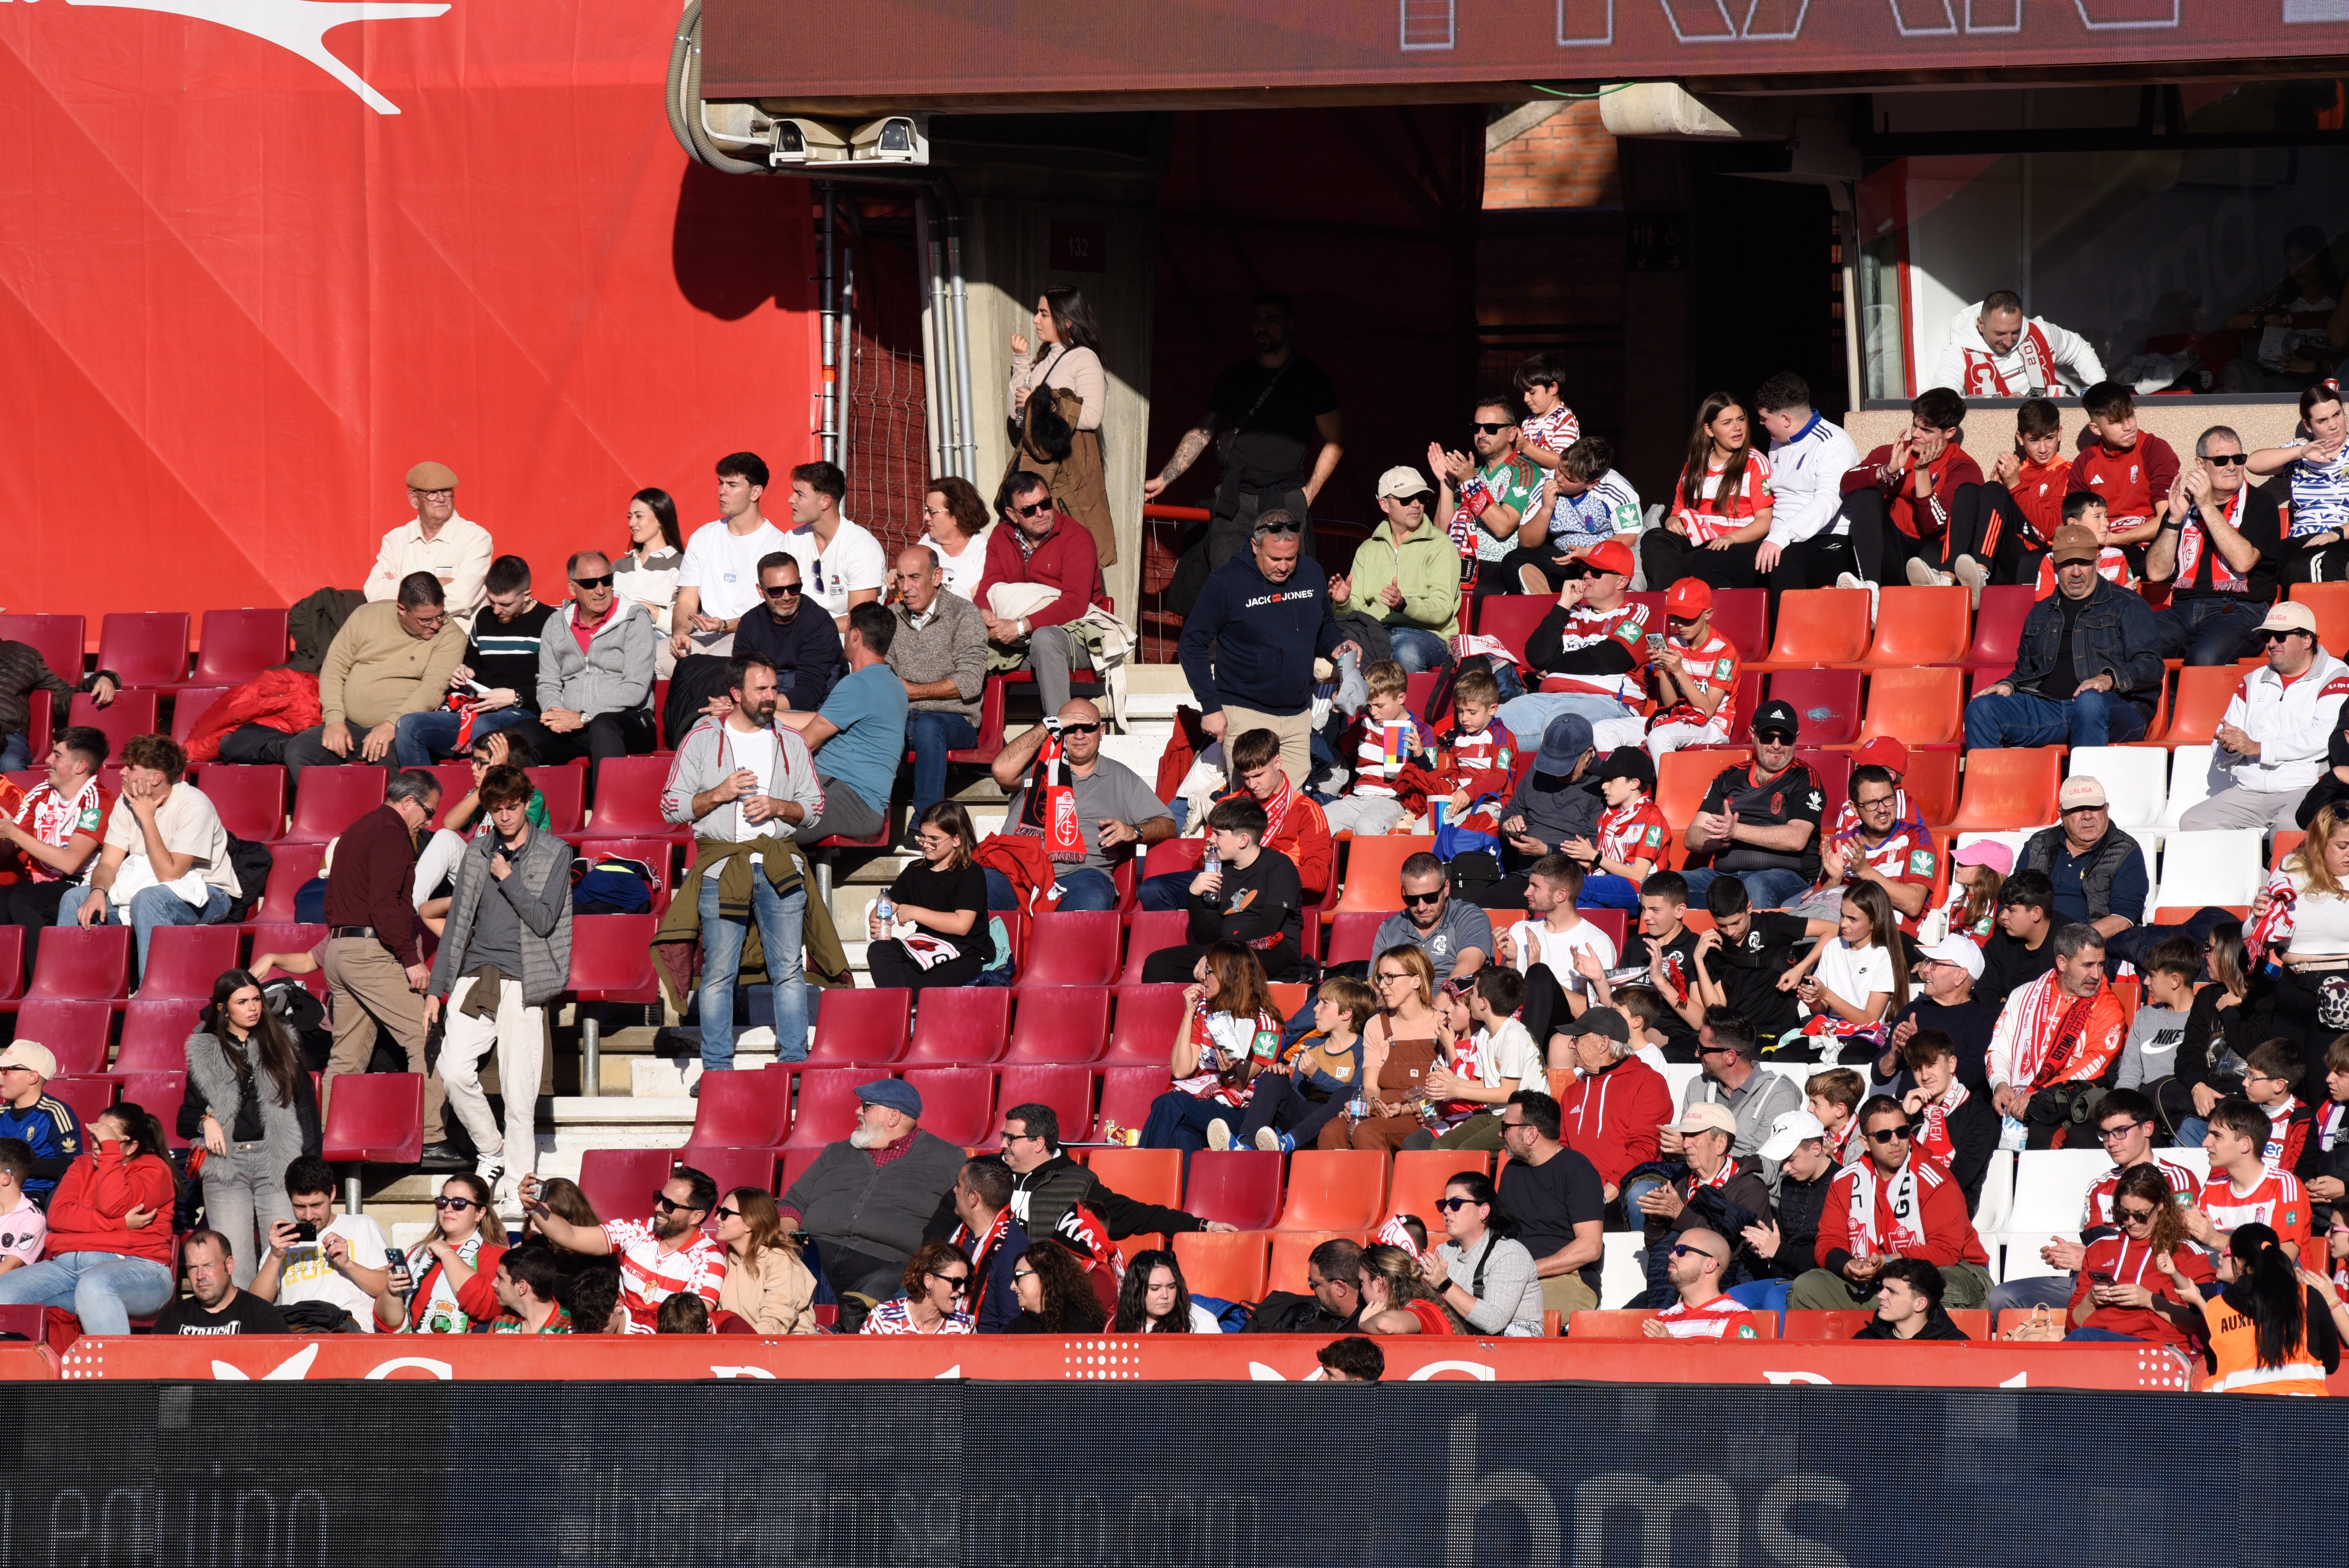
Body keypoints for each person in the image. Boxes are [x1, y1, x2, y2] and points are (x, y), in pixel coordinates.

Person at [662, 652, 825, 1076]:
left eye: (773, 687)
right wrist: (718, 793)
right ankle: (717, 1070)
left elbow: (814, 808)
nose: (771, 697)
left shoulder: (790, 741)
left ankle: (794, 1066)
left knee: (788, 969)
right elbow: (671, 805)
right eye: (761, 689)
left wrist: (779, 806)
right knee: (718, 971)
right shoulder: (701, 738)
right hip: (722, 867)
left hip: (778, 864)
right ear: (736, 693)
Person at [422, 763, 572, 1192]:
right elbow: (457, 924)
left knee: (519, 1095)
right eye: (497, 808)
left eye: (512, 806)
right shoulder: (477, 852)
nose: (505, 816)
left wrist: (509, 880)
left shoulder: (554, 853)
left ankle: (519, 1192)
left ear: (527, 804)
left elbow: (545, 920)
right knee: (452, 1071)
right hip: (476, 974)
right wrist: (437, 989)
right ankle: (491, 1149)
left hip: (525, 981)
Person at [1147, 290, 1343, 576]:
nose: (1263, 326)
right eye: (1257, 319)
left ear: (1290, 325)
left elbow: (1336, 441)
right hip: (1234, 498)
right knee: (1228, 584)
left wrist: (1307, 495)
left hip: (1285, 497)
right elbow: (1204, 430)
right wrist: (1165, 477)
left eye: (1272, 319)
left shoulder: (1312, 378)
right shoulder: (1235, 376)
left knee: (1285, 592)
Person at [319, 768, 453, 1168]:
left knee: (345, 1056)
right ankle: (432, 1138)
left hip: (339, 950)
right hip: (369, 951)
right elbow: (386, 905)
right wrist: (411, 959)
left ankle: (334, 1140)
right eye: (428, 812)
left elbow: (332, 902)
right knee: (424, 1034)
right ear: (409, 801)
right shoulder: (393, 834)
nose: (428, 822)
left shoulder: (356, 829)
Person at [221, 574, 466, 779]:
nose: (435, 625)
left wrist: (392, 724)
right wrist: (335, 720)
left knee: (391, 760)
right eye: (425, 620)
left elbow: (433, 688)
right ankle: (331, 821)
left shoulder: (450, 635)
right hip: (351, 725)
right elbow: (335, 666)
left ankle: (380, 828)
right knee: (300, 751)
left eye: (440, 616)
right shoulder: (366, 616)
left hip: (399, 730)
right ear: (401, 610)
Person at [1175, 508, 1355, 788]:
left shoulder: (1311, 573)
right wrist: (1211, 707)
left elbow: (1325, 626)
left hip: (1297, 715)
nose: (1283, 566)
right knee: (1252, 808)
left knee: (1290, 806)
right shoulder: (1226, 582)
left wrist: (1337, 645)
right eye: (1275, 558)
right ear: (1255, 546)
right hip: (1245, 713)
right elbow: (1191, 643)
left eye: (1291, 558)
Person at [1985, 1087, 2201, 1316]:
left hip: (2152, 1283)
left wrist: (2090, 1259)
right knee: (2003, 1298)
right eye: (2105, 1134)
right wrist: (2072, 1257)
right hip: (2096, 1282)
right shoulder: (2099, 1186)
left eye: (2120, 1132)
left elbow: (2177, 1247)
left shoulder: (2177, 1179)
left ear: (2147, 1128)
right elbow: (2097, 1243)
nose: (2111, 1142)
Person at [1961, 523, 2162, 749]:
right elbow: (2026, 672)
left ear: (2097, 562)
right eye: (2067, 563)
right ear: (2055, 565)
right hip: (2052, 709)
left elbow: (2151, 666)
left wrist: (2109, 679)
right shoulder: (2040, 613)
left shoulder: (2128, 604)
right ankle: (1992, 785)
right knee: (1981, 710)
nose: (2076, 572)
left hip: (2117, 708)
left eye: (2084, 563)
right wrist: (2009, 684)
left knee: (2089, 703)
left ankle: (2085, 784)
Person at [59, 733, 241, 976]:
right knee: (75, 899)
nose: (122, 772)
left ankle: (154, 991)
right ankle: (67, 988)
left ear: (155, 777)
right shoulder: (126, 802)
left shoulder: (194, 806)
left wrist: (146, 817)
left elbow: (170, 874)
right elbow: (109, 863)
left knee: (149, 900)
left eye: (131, 768)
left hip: (210, 894)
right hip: (146, 887)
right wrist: (97, 892)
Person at [1787, 1095, 1993, 1310]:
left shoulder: (1935, 1178)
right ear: (1865, 1142)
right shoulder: (1844, 1181)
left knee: (1913, 1289)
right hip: (1879, 1279)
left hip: (1957, 1271)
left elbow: (1946, 1251)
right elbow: (1828, 1242)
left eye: (1903, 1132)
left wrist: (1889, 1262)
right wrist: (1850, 1267)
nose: (1895, 1141)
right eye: (1884, 1136)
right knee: (1807, 1287)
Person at [185, 968, 320, 1287]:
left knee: (293, 1259)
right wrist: (207, 1121)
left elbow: (306, 1110)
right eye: (242, 1001)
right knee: (238, 1267)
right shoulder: (204, 1051)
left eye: (257, 999)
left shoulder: (283, 1041)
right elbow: (185, 1114)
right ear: (223, 1008)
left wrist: (310, 1169)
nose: (253, 1007)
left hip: (279, 1163)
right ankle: (245, 1335)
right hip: (226, 1166)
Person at [927, 1102, 1226, 1245]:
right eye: (1003, 1136)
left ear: (1039, 1143)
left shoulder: (1077, 1183)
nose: (1001, 1144)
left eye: (1010, 1139)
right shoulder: (987, 1169)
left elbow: (1139, 1215)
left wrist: (1202, 1225)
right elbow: (946, 1216)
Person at [778, 1080, 966, 1301]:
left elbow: (968, 1208)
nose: (858, 1111)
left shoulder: (947, 1159)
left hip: (886, 1264)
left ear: (893, 1117)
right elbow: (792, 1202)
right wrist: (789, 1235)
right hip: (815, 1253)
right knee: (777, 1267)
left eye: (866, 1106)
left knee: (887, 1288)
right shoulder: (835, 1152)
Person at [0, 1102, 175, 1333]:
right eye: (94, 1137)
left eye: (106, 1140)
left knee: (95, 1286)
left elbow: (113, 1204)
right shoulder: (81, 1166)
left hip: (138, 1269)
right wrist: (119, 1224)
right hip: (66, 1269)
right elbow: (59, 1216)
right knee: (4, 1292)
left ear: (132, 1147)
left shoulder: (154, 1171)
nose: (96, 1145)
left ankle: (118, 1369)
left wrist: (110, 1154)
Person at [986, 699, 1174, 912]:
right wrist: (1049, 726)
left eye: (1087, 727)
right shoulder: (1035, 765)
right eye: (1070, 727)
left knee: (1092, 899)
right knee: (975, 888)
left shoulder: (1120, 777)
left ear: (1101, 731)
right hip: (1017, 869)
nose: (1079, 735)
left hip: (1080, 876)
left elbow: (1168, 824)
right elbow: (1001, 770)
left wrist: (1135, 831)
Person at [2183, 600, 2349, 833]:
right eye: (2266, 637)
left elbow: (2323, 739)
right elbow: (2225, 739)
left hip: (2304, 787)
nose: (2271, 644)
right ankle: (2244, 870)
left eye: (2280, 636)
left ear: (2307, 640)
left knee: (2290, 828)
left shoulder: (2336, 674)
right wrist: (2229, 748)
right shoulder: (2252, 680)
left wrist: (2258, 748)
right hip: (2248, 791)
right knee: (2193, 822)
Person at [665, 452, 791, 747]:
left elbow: (773, 611)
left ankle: (700, 733)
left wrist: (725, 625)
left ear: (756, 492)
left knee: (728, 663)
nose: (722, 491)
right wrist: (680, 634)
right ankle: (673, 733)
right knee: (652, 657)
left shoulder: (778, 543)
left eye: (732, 485)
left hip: (744, 638)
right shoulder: (704, 536)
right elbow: (686, 600)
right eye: (721, 483)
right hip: (702, 636)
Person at [2143, 425, 2290, 666]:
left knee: (2204, 658)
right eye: (2222, 460)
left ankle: (2182, 705)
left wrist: (2206, 507)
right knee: (2131, 646)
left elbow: (2243, 561)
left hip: (2240, 610)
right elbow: (2157, 572)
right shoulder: (2184, 506)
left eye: (2239, 459)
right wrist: (2174, 521)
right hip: (2183, 610)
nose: (2232, 466)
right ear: (2200, 465)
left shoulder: (2260, 503)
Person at [1141, 727, 1331, 911]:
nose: (1253, 785)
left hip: (1272, 889)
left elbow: (1319, 878)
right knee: (1153, 890)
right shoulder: (1227, 805)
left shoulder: (1306, 810)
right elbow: (1199, 862)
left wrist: (1267, 870)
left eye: (1258, 775)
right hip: (1226, 881)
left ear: (1278, 763)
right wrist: (1208, 857)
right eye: (1246, 777)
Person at [513, 550, 658, 789]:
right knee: (518, 737)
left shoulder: (634, 619)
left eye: (607, 581)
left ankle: (608, 814)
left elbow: (635, 688)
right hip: (573, 724)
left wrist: (584, 716)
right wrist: (555, 713)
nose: (600, 590)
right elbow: (548, 682)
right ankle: (534, 813)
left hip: (630, 720)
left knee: (603, 726)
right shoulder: (556, 624)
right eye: (590, 584)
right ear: (572, 588)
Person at [518, 1167, 724, 1333]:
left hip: (659, 1349)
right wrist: (534, 1208)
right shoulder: (638, 1230)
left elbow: (688, 1326)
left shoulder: (708, 1259)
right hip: (615, 1333)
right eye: (659, 1198)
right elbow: (571, 1236)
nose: (659, 1207)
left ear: (697, 1217)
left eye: (670, 1205)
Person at [974, 470, 1111, 716]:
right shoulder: (1000, 537)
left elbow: (1075, 603)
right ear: (1012, 515)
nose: (1040, 513)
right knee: (965, 638)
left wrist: (1021, 626)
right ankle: (972, 731)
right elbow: (987, 589)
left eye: (1045, 504)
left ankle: (1058, 735)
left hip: (1077, 634)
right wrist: (985, 614)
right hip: (1019, 641)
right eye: (1029, 510)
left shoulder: (1077, 537)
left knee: (1045, 639)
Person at [1493, 538, 1651, 749]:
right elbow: (1537, 656)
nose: (1586, 575)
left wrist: (1552, 667)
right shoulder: (1572, 613)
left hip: (1608, 702)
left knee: (1559, 727)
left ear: (1621, 582)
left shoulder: (1636, 613)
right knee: (1492, 725)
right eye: (1586, 568)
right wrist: (1564, 603)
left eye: (1596, 572)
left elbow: (1609, 658)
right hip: (1547, 699)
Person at [393, 555, 551, 764]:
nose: (496, 610)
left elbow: (557, 683)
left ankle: (481, 795)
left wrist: (516, 697)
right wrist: (466, 672)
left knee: (486, 726)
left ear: (527, 596)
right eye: (491, 601)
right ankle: (420, 792)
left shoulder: (549, 622)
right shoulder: (485, 618)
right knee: (409, 725)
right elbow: (474, 663)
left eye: (505, 604)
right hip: (478, 710)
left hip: (522, 714)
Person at [776, 602, 909, 846]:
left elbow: (804, 743)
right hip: (855, 800)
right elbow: (819, 722)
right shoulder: (894, 685)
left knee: (755, 820)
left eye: (847, 630)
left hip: (849, 800)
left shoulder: (858, 685)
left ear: (855, 634)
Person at [1139, 796, 1307, 985]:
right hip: (1224, 951)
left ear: (1243, 840)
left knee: (1227, 968)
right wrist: (1193, 896)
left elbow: (1268, 925)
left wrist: (1218, 953)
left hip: (1271, 949)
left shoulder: (1279, 866)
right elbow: (1208, 937)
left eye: (1218, 834)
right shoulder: (1220, 869)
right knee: (1158, 964)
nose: (1210, 840)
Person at [1987, 923, 2128, 1148]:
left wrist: (2038, 1095)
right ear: (2062, 963)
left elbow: (2094, 1063)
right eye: (2088, 965)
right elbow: (1999, 1049)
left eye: (2101, 964)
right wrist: (2001, 1085)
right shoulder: (2023, 995)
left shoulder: (2109, 1007)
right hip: (2014, 1099)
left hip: (2065, 1103)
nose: (2097, 974)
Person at [1677, 700, 1824, 913]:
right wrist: (1719, 839)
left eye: (1785, 738)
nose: (1776, 745)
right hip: (1725, 878)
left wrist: (1736, 831)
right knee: (1664, 887)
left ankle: (1756, 946)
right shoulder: (1730, 776)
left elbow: (1797, 839)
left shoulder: (1805, 777)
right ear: (1753, 734)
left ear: (1796, 739)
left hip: (1786, 877)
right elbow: (1692, 837)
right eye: (1767, 736)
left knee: (1755, 887)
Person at [1008, 285, 1116, 567]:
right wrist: (1021, 362)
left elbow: (1092, 416)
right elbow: (1015, 414)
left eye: (1044, 313)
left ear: (1067, 321)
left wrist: (1040, 403)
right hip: (1035, 467)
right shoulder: (1042, 357)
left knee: (1064, 553)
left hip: (1066, 473)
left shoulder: (1084, 358)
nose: (1036, 320)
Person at [2166, 1222, 2341, 1394]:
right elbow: (2331, 1363)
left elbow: (2214, 1369)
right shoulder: (2308, 1297)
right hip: (2304, 1416)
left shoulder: (2215, 1309)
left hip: (2240, 1418)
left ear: (2238, 1263)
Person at [1142, 941, 1281, 1156]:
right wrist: (1189, 1012)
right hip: (1203, 1102)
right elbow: (1181, 1070)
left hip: (1239, 1112)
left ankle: (1143, 1173)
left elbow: (1241, 1082)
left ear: (1228, 977)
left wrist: (1230, 1071)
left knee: (1168, 1104)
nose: (1202, 977)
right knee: (1182, 1136)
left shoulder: (1266, 1025)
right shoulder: (1204, 1011)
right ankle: (1184, 1190)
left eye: (1209, 971)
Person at [1836, 387, 1983, 590]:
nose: (1915, 434)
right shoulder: (1895, 452)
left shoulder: (1962, 467)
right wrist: (1886, 471)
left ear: (1950, 433)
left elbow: (1934, 526)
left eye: (1927, 430)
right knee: (1865, 493)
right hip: (1893, 551)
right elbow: (1847, 482)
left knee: (1929, 554)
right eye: (1915, 424)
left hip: (1932, 558)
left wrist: (1921, 471)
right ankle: (1870, 588)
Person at [888, 544, 989, 825]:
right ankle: (869, 819)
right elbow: (885, 670)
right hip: (904, 716)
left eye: (915, 578)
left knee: (929, 726)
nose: (906, 588)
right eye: (901, 578)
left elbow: (969, 682)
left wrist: (913, 691)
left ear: (936, 577)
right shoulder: (893, 617)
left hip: (956, 719)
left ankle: (927, 821)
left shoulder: (964, 615)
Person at [1639, 392, 1774, 593]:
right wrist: (1671, 522)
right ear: (1709, 430)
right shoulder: (1694, 466)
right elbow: (1677, 512)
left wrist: (1731, 539)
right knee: (1654, 539)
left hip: (1737, 544)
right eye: (1727, 422)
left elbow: (1765, 521)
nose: (1737, 428)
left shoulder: (1755, 462)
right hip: (1700, 540)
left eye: (1741, 420)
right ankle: (1673, 596)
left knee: (1702, 560)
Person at [1330, 464, 1460, 674]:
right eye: (1407, 499)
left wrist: (1403, 605)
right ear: (1385, 505)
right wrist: (1343, 602)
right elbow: (1355, 614)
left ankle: (1405, 708)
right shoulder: (1368, 549)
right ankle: (1348, 705)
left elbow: (1442, 610)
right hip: (1377, 633)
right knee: (1343, 646)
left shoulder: (1441, 545)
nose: (1416, 504)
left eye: (1422, 497)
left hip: (1429, 636)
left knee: (1407, 653)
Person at [2062, 1164, 2210, 1345]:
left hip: (2156, 1349)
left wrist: (2149, 1300)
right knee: (2076, 1342)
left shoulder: (2185, 1252)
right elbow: (2071, 1325)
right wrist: (2091, 1300)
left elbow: (2202, 1321)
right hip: (2097, 1343)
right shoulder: (2099, 1249)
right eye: (2124, 1214)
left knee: (2082, 1340)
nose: (2131, 1223)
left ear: (2161, 1205)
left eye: (2141, 1216)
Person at [0, 727, 110, 964]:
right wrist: (7, 834)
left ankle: (49, 976)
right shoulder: (41, 793)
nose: (48, 760)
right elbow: (9, 846)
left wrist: (13, 833)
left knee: (22, 899)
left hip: (79, 884)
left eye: (57, 755)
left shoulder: (97, 801)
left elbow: (70, 863)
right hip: (40, 883)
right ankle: (12, 987)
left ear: (80, 766)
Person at [2255, 804, 2349, 1084]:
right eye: (2342, 846)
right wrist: (2259, 915)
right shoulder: (2291, 869)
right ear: (2320, 844)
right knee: (2282, 1084)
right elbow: (2259, 933)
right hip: (2292, 988)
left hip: (2340, 993)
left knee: (2324, 1083)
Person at [1638, 1101, 1774, 1294]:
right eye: (1685, 1136)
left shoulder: (1751, 1188)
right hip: (1680, 1287)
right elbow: (1658, 1252)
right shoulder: (1682, 1184)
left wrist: (1680, 1214)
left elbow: (1732, 1251)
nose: (1685, 1144)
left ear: (1720, 1144)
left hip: (1730, 1289)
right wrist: (1655, 1221)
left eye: (1694, 1136)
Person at [1750, 371, 1865, 595]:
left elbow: (1827, 501)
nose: (1761, 423)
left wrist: (1782, 536)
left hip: (1828, 540)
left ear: (1786, 420)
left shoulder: (1833, 443)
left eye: (1765, 419)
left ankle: (1789, 631)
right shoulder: (1777, 442)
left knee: (1782, 561)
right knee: (1709, 562)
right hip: (1778, 539)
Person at [250, 1155, 390, 1333]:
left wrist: (348, 1265)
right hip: (299, 1335)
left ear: (332, 1193)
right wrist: (275, 1257)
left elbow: (387, 1289)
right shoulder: (282, 1241)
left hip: (348, 1334)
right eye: (300, 1207)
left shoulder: (361, 1225)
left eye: (316, 1205)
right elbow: (255, 1305)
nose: (309, 1216)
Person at [1786, 764, 1936, 931]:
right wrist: (1834, 881)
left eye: (1888, 799)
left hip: (1890, 938)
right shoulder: (1841, 844)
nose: (1882, 809)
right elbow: (1815, 909)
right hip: (1839, 936)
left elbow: (1914, 904)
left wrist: (1864, 870)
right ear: (1855, 809)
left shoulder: (1917, 837)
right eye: (1871, 803)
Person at [1494, 1090, 1604, 1316]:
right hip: (1513, 1278)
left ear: (1531, 1134)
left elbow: (1590, 1247)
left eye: (1507, 1128)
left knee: (1522, 1318)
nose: (1500, 1133)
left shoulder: (1577, 1171)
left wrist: (1529, 1270)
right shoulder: (1511, 1171)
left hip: (1567, 1277)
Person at [1496, 435, 1642, 603]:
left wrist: (1587, 553)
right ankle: (1541, 604)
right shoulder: (1548, 482)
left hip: (1600, 565)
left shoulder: (1617, 489)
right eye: (1560, 469)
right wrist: (1546, 508)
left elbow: (1630, 536)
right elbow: (1527, 542)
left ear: (1592, 483)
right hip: (1564, 561)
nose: (1559, 478)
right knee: (1513, 561)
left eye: (1569, 479)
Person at [1237, 979, 1372, 1155]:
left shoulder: (1363, 1049)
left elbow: (1357, 1095)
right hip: (1305, 1115)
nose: (1316, 1009)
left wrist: (1317, 1075)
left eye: (1325, 1004)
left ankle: (1290, 1141)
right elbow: (1299, 1094)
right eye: (1318, 1003)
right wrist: (1283, 1078)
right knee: (1272, 1076)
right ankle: (1246, 1144)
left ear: (1346, 1014)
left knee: (1348, 1093)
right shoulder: (1311, 1045)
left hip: (1333, 1121)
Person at [1333, 945, 1447, 1154]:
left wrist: (1409, 1108)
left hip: (1422, 1114)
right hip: (1383, 1109)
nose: (1383, 986)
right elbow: (1371, 1087)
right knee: (1333, 1132)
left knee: (1368, 1132)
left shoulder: (1443, 1025)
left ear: (1416, 980)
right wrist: (1362, 1105)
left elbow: (1446, 1092)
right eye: (1380, 978)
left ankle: (1385, 1188)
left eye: (1390, 977)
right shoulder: (1377, 1024)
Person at [1691, 878, 1830, 1049]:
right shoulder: (1715, 946)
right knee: (1673, 1053)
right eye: (1722, 925)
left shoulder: (1771, 925)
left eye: (1736, 923)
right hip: (1736, 1035)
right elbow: (1717, 1008)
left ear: (1749, 908)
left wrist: (1800, 970)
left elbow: (1831, 930)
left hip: (1775, 1032)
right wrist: (1698, 959)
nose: (1731, 932)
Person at [865, 801, 987, 992]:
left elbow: (962, 926)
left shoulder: (971, 872)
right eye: (922, 837)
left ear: (957, 840)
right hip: (922, 947)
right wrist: (878, 919)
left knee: (906, 978)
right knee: (880, 950)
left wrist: (914, 912)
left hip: (961, 953)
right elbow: (887, 904)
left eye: (934, 839)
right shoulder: (915, 871)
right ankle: (899, 1005)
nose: (926, 844)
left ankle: (897, 1008)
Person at [1555, 1007, 1671, 1204]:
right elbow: (1562, 1151)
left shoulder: (1648, 1082)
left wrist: (1602, 1196)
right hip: (1577, 1196)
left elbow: (1644, 1149)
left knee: (1639, 1194)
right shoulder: (1572, 1092)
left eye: (1577, 1039)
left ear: (1603, 1043)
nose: (1571, 1046)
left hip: (1623, 1192)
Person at [1497, 856, 1616, 1047]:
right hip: (1512, 1024)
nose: (1527, 892)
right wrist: (1510, 962)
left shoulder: (1595, 943)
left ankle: (1526, 1054)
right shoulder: (1520, 931)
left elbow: (1593, 1014)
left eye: (1536, 887)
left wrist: (1538, 974)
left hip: (1563, 1034)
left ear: (1561, 896)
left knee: (1541, 974)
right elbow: (1502, 1000)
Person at [1731, 1110, 1840, 1317]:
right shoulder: (1789, 1185)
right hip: (1792, 1278)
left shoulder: (1844, 1184)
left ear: (1817, 1149)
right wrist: (1767, 1246)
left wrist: (1778, 1250)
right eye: (1783, 1160)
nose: (1785, 1167)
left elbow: (1832, 1256)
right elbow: (1787, 1248)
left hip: (1827, 1280)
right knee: (1734, 1299)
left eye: (1791, 1159)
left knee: (1776, 1297)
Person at [1780, 882, 1911, 1053]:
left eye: (1853, 919)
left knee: (1851, 1058)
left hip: (1868, 1035)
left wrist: (1827, 995)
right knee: (1786, 1055)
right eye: (1842, 915)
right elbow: (1822, 1010)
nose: (1843, 924)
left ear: (1874, 922)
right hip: (1832, 1031)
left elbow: (1869, 1019)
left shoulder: (1883, 956)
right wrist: (1814, 1001)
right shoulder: (1833, 946)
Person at [2015, 777, 2148, 945]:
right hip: (2032, 943)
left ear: (2107, 809)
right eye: (2077, 809)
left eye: (2094, 808)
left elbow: (2123, 919)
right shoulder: (2037, 845)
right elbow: (2015, 902)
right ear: (2061, 815)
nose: (2087, 816)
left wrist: (2069, 943)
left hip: (2094, 949)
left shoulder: (2126, 851)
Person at [720, 551, 848, 717]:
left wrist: (751, 705)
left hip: (811, 710)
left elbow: (809, 692)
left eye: (794, 588)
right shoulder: (750, 623)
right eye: (776, 591)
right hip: (759, 704)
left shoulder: (819, 625)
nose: (787, 597)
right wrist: (725, 703)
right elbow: (739, 678)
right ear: (761, 590)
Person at [372, 1173, 505, 1333]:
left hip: (464, 1351)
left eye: (459, 1203)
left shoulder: (494, 1254)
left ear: (480, 1213)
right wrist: (392, 1291)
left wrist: (446, 1252)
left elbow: (486, 1306)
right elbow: (388, 1323)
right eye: (443, 1202)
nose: (448, 1209)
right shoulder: (419, 1253)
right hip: (413, 1350)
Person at [1417, 1171, 1542, 1336]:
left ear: (1484, 1211)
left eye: (1456, 1203)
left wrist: (1445, 1284)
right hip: (1466, 1346)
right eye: (1443, 1204)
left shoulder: (1511, 1254)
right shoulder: (1444, 1252)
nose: (1446, 1211)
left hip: (1515, 1350)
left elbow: (1494, 1321)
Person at [365, 461, 492, 622]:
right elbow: (374, 593)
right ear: (414, 500)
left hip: (455, 641)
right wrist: (437, 583)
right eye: (432, 493)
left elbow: (462, 599)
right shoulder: (395, 539)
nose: (441, 499)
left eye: (446, 491)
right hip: (404, 640)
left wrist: (400, 588)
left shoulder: (475, 538)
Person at [2248, 381, 2349, 584]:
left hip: (2343, 537)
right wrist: (2300, 452)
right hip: (2302, 538)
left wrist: (2337, 533)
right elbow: (2252, 463)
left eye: (2337, 415)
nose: (2333, 425)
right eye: (2322, 420)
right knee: (2263, 566)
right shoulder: (2301, 451)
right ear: (2308, 426)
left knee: (2306, 565)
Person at [2187, 1098, 2313, 1261]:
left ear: (2246, 1144)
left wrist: (2215, 1239)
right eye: (2208, 1134)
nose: (2205, 1143)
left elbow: (2282, 1260)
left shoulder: (2284, 1186)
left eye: (2217, 1136)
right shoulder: (2212, 1188)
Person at [1431, 401, 1542, 586]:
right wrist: (1447, 482)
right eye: (1476, 428)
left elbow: (1503, 527)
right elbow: (1443, 533)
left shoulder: (1524, 471)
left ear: (1512, 433)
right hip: (1459, 565)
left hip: (1501, 566)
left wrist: (1471, 484)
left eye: (1491, 428)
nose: (1481, 434)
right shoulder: (1472, 474)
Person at [2069, 381, 2183, 552]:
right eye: (2116, 422)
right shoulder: (2085, 463)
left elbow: (2168, 519)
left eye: (2130, 416)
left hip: (2147, 548)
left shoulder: (2155, 450)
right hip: (2098, 548)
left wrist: (2115, 539)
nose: (2128, 427)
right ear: (2096, 429)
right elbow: (2076, 523)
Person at [1928, 290, 2106, 397]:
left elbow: (2079, 349)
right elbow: (1943, 399)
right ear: (1981, 324)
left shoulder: (2040, 332)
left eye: (2015, 332)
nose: (2009, 342)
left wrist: (2101, 390)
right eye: (2000, 334)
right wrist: (2001, 407)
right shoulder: (1959, 354)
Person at [775, 460, 885, 632]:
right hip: (796, 637)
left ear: (825, 502)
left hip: (844, 644)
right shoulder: (792, 540)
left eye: (800, 494)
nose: (791, 500)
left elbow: (860, 620)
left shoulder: (862, 547)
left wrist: (806, 630)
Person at [1322, 658, 1426, 838]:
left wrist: (1419, 754)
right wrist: (1336, 711)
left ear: (1401, 698)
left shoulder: (1420, 730)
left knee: (1367, 825)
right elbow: (1330, 752)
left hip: (1393, 800)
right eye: (1369, 706)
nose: (1374, 712)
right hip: (1359, 798)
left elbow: (1432, 779)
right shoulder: (1365, 723)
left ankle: (1378, 868)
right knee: (1319, 819)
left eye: (1380, 706)